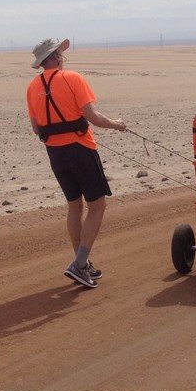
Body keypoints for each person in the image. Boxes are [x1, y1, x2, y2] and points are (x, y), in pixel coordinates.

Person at [26, 38, 126, 288]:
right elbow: (93, 116)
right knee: (97, 206)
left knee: (74, 207)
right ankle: (80, 264)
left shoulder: (31, 87)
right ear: (56, 58)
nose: (63, 58)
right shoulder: (73, 78)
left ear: (42, 63)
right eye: (61, 54)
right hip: (81, 149)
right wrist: (117, 124)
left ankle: (82, 263)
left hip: (55, 154)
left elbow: (37, 129)